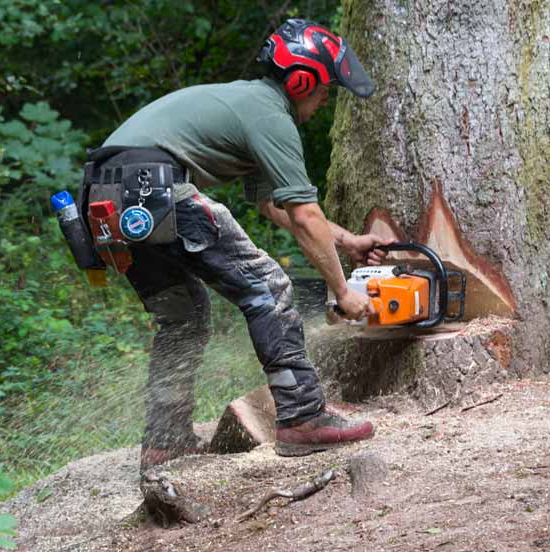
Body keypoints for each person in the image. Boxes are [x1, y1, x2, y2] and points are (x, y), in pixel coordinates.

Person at [99, 19, 388, 471]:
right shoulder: (270, 115)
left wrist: (348, 242)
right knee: (268, 287)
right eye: (325, 86)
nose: (327, 96)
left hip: (105, 196)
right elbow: (303, 214)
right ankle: (303, 416)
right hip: (152, 187)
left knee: (184, 317)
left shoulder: (248, 105)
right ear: (301, 79)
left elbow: (276, 205)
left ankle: (164, 442)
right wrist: (343, 293)